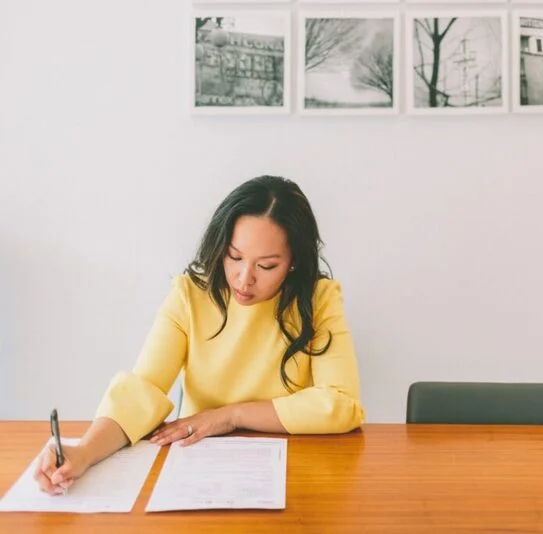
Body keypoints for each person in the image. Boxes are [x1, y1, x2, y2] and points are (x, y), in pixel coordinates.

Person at [34, 175, 365, 495]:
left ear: (294, 262)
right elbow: (142, 390)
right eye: (234, 257)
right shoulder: (190, 294)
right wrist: (84, 453)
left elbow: (341, 404)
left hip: (295, 469)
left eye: (266, 266)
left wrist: (230, 416)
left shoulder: (318, 298)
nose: (243, 279)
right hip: (196, 468)